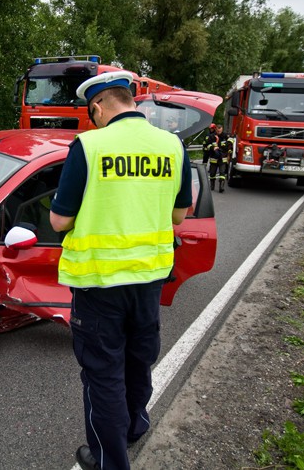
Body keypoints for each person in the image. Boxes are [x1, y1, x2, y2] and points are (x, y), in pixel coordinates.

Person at [50, 71, 192, 470]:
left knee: (102, 373)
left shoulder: (90, 145)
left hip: (99, 283)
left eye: (89, 112)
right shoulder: (172, 145)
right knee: (138, 358)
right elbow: (179, 215)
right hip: (149, 278)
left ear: (96, 106)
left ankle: (108, 462)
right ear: (131, 100)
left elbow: (60, 222)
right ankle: (135, 424)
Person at [207, 124, 231, 192]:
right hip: (214, 158)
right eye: (217, 130)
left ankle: (221, 187)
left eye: (220, 130)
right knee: (212, 173)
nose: (218, 132)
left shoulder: (226, 136)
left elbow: (230, 144)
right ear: (216, 129)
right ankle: (212, 186)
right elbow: (207, 145)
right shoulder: (211, 136)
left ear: (222, 129)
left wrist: (225, 150)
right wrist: (213, 147)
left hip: (222, 158)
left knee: (222, 173)